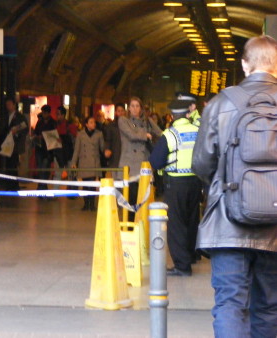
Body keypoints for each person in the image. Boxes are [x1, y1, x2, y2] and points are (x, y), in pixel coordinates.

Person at [192, 35, 277, 338]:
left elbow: (201, 164)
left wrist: (226, 187)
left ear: (244, 64)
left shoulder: (220, 104)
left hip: (228, 224)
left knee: (230, 304)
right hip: (274, 229)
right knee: (269, 307)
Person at [149, 99, 202, 277]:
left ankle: (182, 265)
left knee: (176, 224)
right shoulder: (198, 131)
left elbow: (156, 162)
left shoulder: (170, 134)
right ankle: (192, 255)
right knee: (192, 219)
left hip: (176, 183)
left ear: (172, 116)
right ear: (187, 114)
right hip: (195, 181)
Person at [118, 96, 162, 221]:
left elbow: (160, 133)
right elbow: (131, 135)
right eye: (132, 106)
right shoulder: (123, 120)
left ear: (141, 108)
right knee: (131, 198)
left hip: (144, 162)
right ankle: (130, 223)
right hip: (130, 164)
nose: (135, 109)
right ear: (129, 108)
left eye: (137, 106)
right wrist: (146, 135)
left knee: (144, 196)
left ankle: (142, 224)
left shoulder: (147, 121)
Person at [71, 116, 104, 211]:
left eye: (94, 122)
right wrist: (74, 162)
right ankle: (86, 203)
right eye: (91, 122)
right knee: (85, 184)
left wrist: (106, 151)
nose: (93, 124)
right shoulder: (80, 135)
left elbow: (102, 147)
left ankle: (92, 204)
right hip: (84, 162)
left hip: (94, 162)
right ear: (86, 124)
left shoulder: (99, 134)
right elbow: (77, 150)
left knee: (92, 184)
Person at [0, 97, 28, 191]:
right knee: (8, 164)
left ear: (14, 105)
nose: (8, 106)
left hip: (15, 145)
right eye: (7, 105)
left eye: (9, 104)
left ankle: (14, 184)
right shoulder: (5, 116)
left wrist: (16, 132)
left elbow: (25, 128)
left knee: (13, 164)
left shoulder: (20, 116)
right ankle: (9, 184)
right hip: (7, 144)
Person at [104, 103, 125, 173]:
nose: (121, 113)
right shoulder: (111, 126)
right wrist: (107, 149)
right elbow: (108, 140)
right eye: (119, 111)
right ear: (116, 112)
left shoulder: (129, 125)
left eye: (122, 111)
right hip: (115, 156)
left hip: (126, 155)